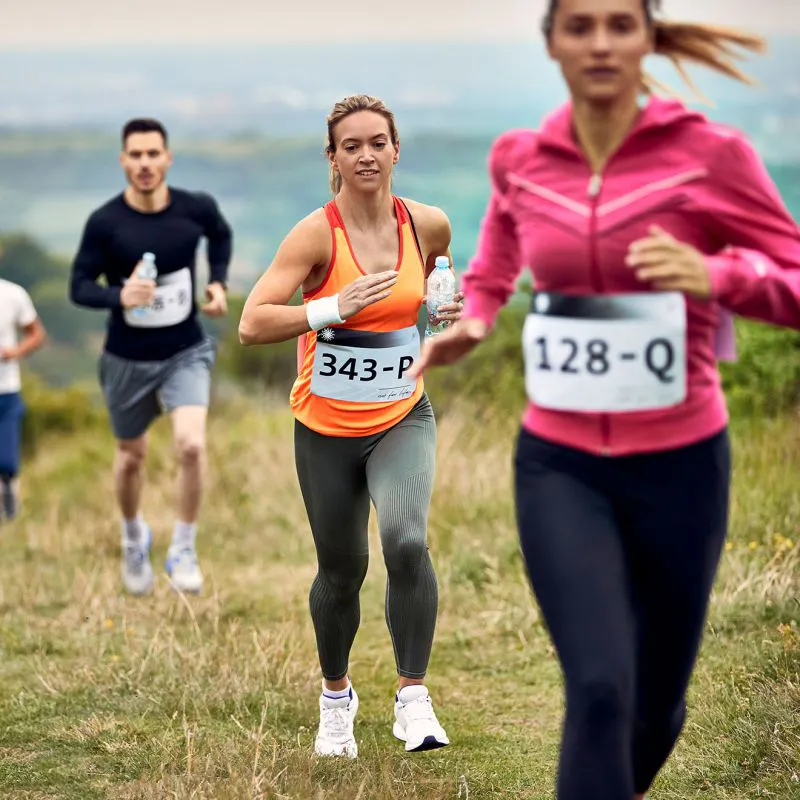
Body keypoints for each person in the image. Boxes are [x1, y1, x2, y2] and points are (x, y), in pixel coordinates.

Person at [409, 1, 800, 798]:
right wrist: (475, 320)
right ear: (550, 40)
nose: (599, 42)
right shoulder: (520, 158)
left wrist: (718, 277)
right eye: (578, 24)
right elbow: (494, 266)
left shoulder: (711, 156)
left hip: (683, 466)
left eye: (620, 24)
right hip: (561, 467)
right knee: (598, 690)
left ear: (648, 38)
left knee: (655, 712)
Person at [239, 95, 464, 759]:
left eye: (377, 142)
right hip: (325, 429)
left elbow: (445, 287)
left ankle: (413, 700)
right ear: (332, 158)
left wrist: (444, 309)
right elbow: (253, 322)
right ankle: (336, 700)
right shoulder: (316, 235)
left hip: (401, 414)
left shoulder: (428, 225)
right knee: (342, 571)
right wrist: (330, 307)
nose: (366, 155)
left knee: (407, 541)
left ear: (396, 150)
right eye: (351, 145)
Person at [69, 117, 233, 597]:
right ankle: (133, 536)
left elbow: (220, 235)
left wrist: (218, 282)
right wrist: (118, 296)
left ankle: (183, 545)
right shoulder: (105, 223)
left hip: (185, 350)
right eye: (135, 155)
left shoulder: (194, 209)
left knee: (191, 445)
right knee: (130, 459)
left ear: (167, 158)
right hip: (126, 357)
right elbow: (78, 286)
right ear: (123, 161)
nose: (144, 164)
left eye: (152, 154)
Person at [0, 270, 47, 522]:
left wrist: (15, 352)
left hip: (6, 389)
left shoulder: (12, 294)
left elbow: (36, 333)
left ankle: (9, 505)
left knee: (6, 462)